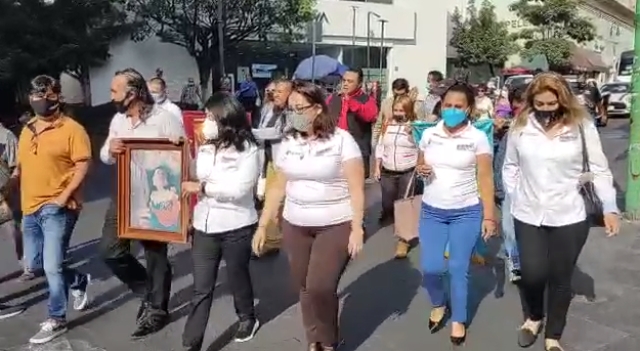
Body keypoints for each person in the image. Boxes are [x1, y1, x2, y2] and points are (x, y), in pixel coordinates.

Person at [502, 72, 619, 351]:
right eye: (539, 104)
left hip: (570, 213)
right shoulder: (520, 125)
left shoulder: (582, 126)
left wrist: (610, 208)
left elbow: (600, 170)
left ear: (563, 101)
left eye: (550, 104)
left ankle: (553, 334)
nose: (544, 110)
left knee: (560, 277)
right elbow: (510, 166)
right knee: (531, 273)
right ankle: (533, 316)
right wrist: (516, 192)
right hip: (528, 212)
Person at [253, 80, 365, 351]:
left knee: (320, 287)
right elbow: (279, 185)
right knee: (304, 286)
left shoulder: (342, 140)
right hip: (296, 223)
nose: (293, 114)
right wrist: (263, 224)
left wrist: (358, 227)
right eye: (290, 109)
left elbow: (356, 187)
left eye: (299, 108)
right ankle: (313, 338)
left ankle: (328, 341)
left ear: (317, 109)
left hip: (335, 224)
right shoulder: (289, 141)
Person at [99, 68, 185, 338]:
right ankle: (146, 291)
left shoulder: (165, 119)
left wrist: (177, 146)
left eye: (115, 91)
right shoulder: (118, 120)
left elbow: (184, 156)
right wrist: (109, 150)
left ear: (133, 93)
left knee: (155, 255)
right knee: (110, 251)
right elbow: (105, 155)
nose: (111, 96)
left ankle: (157, 310)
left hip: (155, 196)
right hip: (125, 193)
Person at [417, 82, 496, 346]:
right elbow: (420, 164)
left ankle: (459, 319)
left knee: (458, 268)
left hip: (466, 212)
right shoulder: (429, 134)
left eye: (458, 106)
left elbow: (485, 178)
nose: (451, 110)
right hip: (432, 211)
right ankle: (438, 302)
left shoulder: (477, 138)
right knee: (430, 268)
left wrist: (489, 216)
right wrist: (422, 170)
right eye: (447, 105)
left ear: (468, 109)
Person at [15, 75, 92, 344]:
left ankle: (56, 318)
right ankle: (78, 280)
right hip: (30, 208)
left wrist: (64, 196)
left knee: (51, 265)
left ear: (55, 97)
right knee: (35, 264)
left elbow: (83, 165)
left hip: (58, 207)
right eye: (34, 95)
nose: (37, 100)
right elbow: (22, 167)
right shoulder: (28, 130)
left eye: (43, 94)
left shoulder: (72, 130)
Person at [180, 93, 261, 350]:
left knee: (237, 275)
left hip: (236, 224)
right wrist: (178, 149)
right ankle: (191, 342)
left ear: (226, 118)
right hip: (204, 225)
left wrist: (202, 188)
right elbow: (194, 171)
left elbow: (238, 189)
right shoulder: (206, 145)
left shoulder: (250, 150)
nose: (206, 121)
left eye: (210, 116)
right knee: (201, 288)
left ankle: (247, 317)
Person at [373, 94, 420, 258]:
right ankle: (391, 216)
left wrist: (414, 132)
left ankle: (403, 241)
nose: (398, 113)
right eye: (396, 110)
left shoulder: (414, 127)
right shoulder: (387, 125)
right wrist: (377, 166)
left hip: (407, 170)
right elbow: (380, 145)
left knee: (405, 204)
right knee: (387, 202)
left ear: (409, 111)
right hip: (387, 170)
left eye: (402, 110)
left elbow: (424, 145)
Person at [252, 79, 293, 255]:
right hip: (267, 159)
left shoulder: (293, 112)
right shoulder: (268, 108)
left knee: (278, 204)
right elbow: (263, 129)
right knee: (270, 201)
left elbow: (279, 132)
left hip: (284, 163)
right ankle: (272, 241)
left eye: (280, 91)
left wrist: (250, 132)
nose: (275, 94)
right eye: (274, 91)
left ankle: (274, 241)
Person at [493, 84, 527, 283]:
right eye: (516, 107)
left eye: (524, 105)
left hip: (532, 189)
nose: (520, 110)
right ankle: (515, 263)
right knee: (509, 229)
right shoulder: (508, 128)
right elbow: (499, 158)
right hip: (508, 189)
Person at [326, 68, 378, 179]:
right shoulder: (333, 97)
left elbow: (370, 116)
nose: (345, 84)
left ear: (359, 84)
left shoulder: (367, 100)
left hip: (357, 151)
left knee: (355, 187)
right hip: (334, 150)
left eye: (350, 81)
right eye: (344, 80)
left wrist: (350, 101)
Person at [372, 78, 428, 143]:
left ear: (407, 91)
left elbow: (420, 126)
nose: (398, 97)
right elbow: (379, 123)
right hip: (387, 141)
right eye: (396, 94)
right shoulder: (386, 103)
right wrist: (374, 141)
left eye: (401, 95)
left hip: (407, 142)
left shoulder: (417, 105)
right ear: (393, 91)